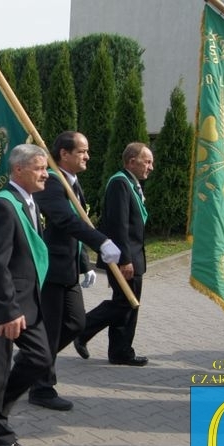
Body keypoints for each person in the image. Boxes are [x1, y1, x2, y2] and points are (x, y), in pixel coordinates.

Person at [27, 132, 121, 411]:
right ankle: (41, 387)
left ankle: (30, 362)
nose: (87, 156)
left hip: (68, 269)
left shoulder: (72, 183)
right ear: (64, 154)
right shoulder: (52, 183)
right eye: (81, 151)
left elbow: (78, 226)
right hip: (51, 270)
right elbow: (65, 220)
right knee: (50, 329)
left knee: (76, 324)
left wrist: (85, 263)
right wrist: (100, 242)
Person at [0, 144, 53, 446]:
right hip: (2, 307)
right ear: (18, 170)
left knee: (41, 358)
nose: (46, 174)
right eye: (39, 168)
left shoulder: (29, 201)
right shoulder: (4, 206)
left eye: (45, 168)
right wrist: (8, 310)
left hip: (28, 303)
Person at [74, 142, 153, 366]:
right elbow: (119, 225)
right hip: (124, 258)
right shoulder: (120, 182)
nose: (150, 167)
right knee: (125, 304)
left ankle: (120, 351)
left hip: (133, 256)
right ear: (132, 162)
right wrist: (125, 260)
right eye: (147, 162)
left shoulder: (131, 183)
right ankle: (83, 330)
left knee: (127, 304)